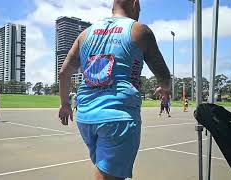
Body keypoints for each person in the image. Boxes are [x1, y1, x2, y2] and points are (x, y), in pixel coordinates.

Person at [58, 0, 171, 179]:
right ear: (135, 4)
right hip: (118, 118)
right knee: (108, 176)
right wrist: (165, 87)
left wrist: (65, 104)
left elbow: (64, 73)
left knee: (105, 170)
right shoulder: (139, 30)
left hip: (86, 117)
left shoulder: (85, 34)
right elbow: (163, 74)